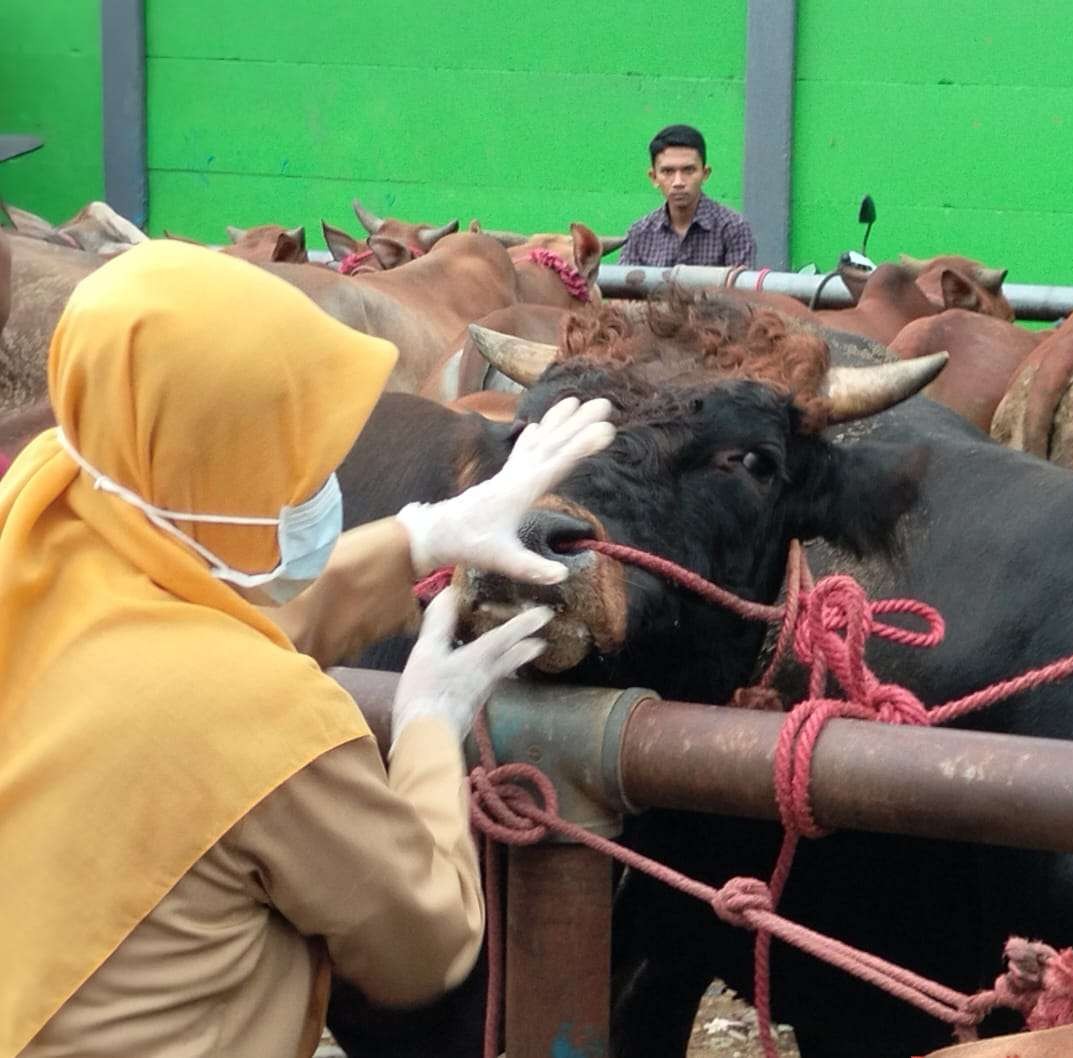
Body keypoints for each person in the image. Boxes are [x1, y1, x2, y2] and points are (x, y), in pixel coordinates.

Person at [0, 240, 615, 1058]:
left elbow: (185, 633)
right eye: (294, 459)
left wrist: (423, 536)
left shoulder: (41, 513)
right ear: (208, 467)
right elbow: (423, 943)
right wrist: (429, 725)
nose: (322, 486)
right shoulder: (267, 725)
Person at [617, 123, 756, 268]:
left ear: (705, 173)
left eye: (688, 170)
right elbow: (625, 289)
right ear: (654, 177)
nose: (678, 182)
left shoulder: (733, 229)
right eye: (668, 171)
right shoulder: (639, 233)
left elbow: (742, 289)